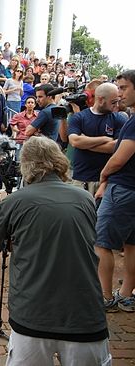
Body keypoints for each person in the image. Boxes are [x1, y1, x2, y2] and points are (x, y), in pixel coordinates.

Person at [0, 136, 110, 366]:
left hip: (32, 314)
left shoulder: (15, 200)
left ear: (26, 165)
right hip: (85, 313)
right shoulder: (85, 199)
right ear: (59, 161)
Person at [95, 70, 135, 313]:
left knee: (102, 243)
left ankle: (105, 296)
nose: (119, 93)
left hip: (123, 189)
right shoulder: (130, 118)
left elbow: (120, 158)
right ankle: (126, 294)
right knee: (131, 244)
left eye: (124, 88)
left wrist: (104, 175)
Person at [68, 83, 126, 195]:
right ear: (100, 99)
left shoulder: (119, 118)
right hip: (81, 179)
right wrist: (105, 139)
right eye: (113, 102)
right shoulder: (80, 117)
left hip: (106, 181)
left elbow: (115, 146)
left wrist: (85, 143)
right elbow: (75, 141)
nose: (116, 105)